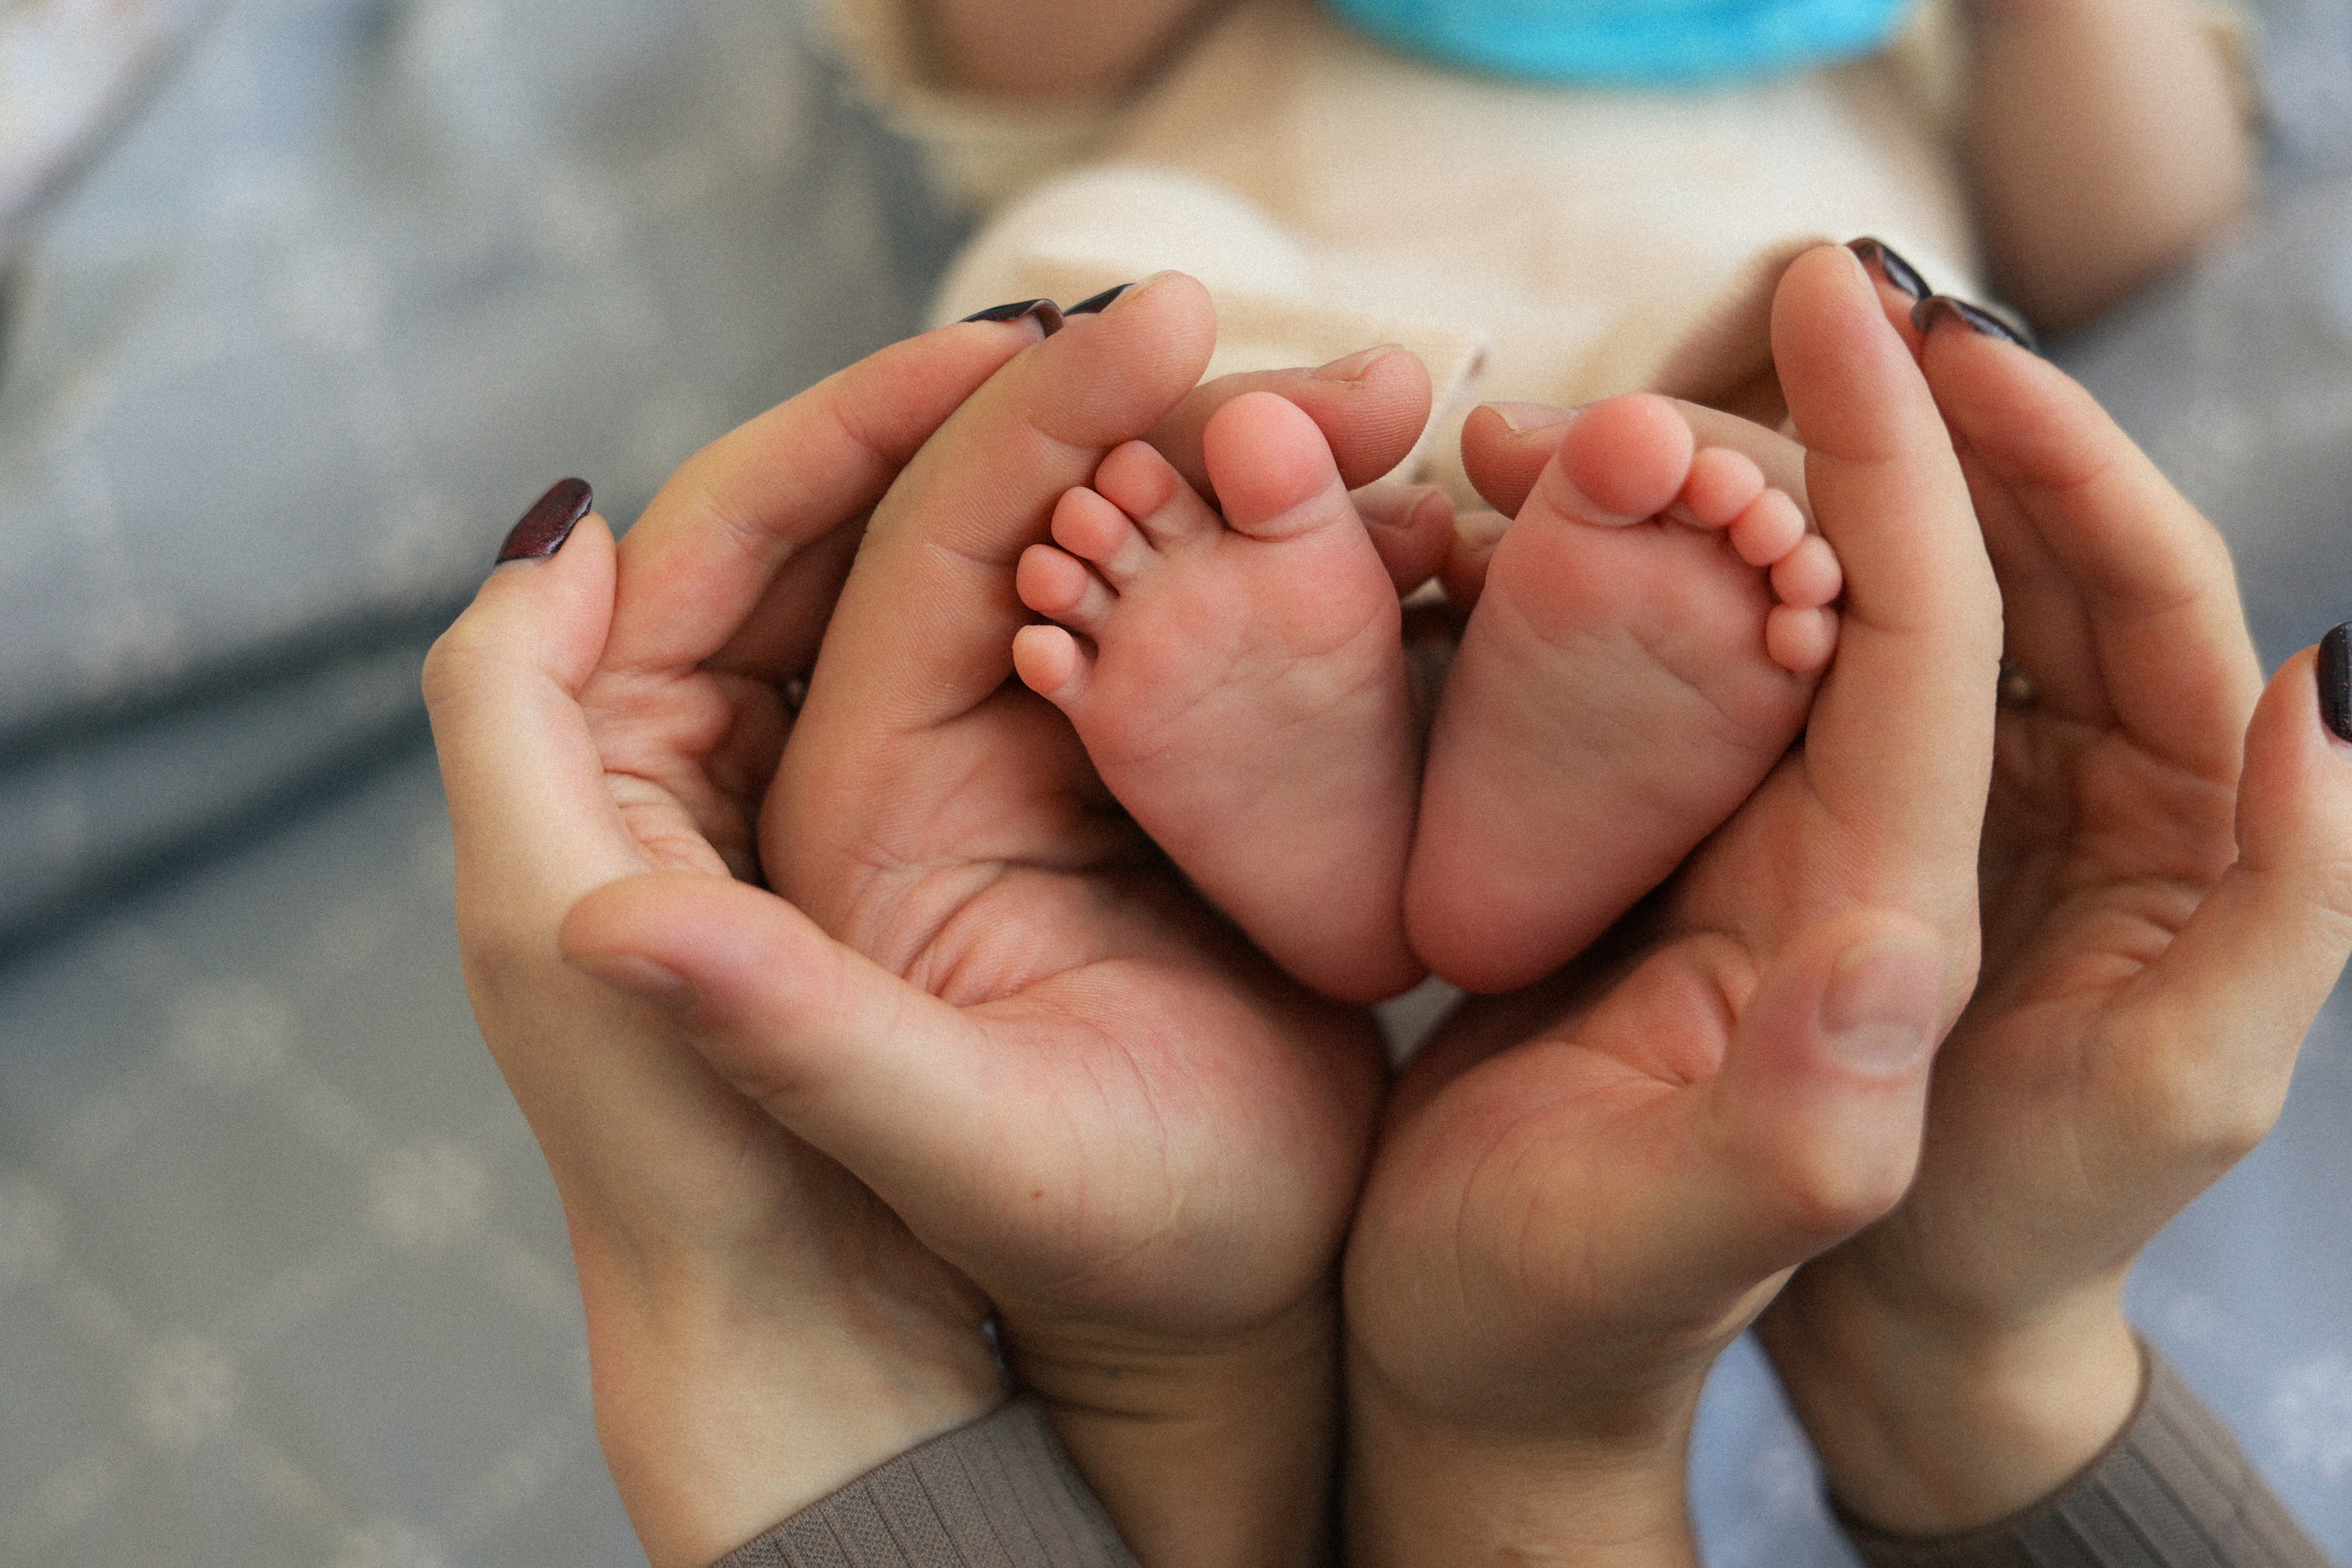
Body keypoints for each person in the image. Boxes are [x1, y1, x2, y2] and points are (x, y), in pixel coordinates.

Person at [423, 246, 2350, 1566]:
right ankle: (1513, 793)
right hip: (1627, 376)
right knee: (1787, 479)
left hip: (1285, 348)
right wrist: (1953, 1359)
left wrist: (832, 1349)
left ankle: (1423, 784)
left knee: (1121, 426)